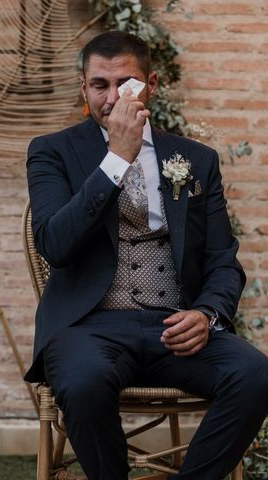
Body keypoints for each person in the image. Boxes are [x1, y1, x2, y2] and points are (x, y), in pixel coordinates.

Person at [25, 30, 268, 480]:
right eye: (100, 85)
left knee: (255, 374)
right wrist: (116, 158)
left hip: (174, 327)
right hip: (88, 329)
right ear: (84, 88)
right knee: (82, 382)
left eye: (127, 84)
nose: (114, 97)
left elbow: (222, 260)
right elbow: (54, 244)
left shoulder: (196, 159)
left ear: (151, 85)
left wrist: (208, 314)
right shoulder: (52, 152)